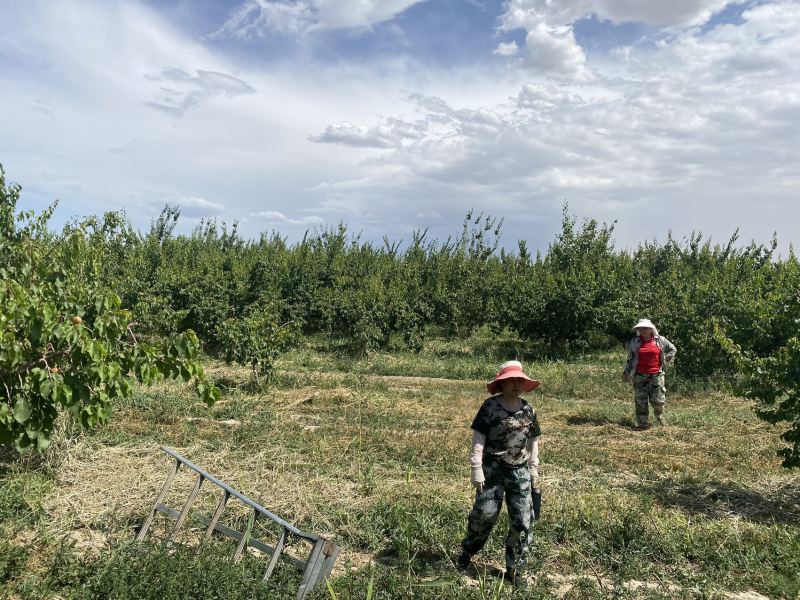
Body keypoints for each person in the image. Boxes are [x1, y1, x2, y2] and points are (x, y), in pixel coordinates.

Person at [457, 360, 541, 588]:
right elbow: (478, 439)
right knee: (483, 515)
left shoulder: (528, 410)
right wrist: (476, 469)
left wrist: (534, 471)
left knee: (523, 522)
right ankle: (467, 551)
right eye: (510, 380)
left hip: (520, 473)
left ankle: (516, 570)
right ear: (501, 384)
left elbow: (533, 443)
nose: (516, 384)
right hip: (492, 471)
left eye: (519, 380)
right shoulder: (490, 408)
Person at [623, 318, 677, 429]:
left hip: (656, 375)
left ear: (651, 329)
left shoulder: (660, 340)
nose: (643, 330)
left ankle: (659, 417)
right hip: (639, 375)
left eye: (645, 328)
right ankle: (643, 425)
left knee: (658, 401)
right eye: (641, 328)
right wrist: (626, 372)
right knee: (640, 401)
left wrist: (665, 360)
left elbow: (673, 349)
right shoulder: (635, 342)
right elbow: (630, 358)